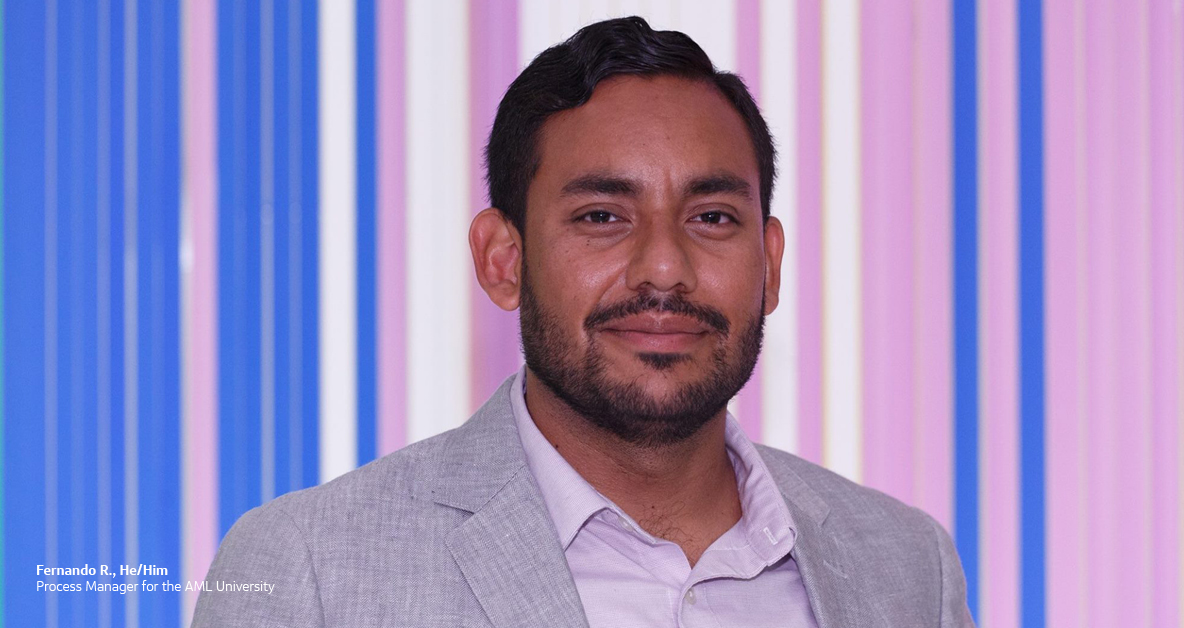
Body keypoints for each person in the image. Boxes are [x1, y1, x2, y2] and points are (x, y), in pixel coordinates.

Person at [193, 16, 974, 628]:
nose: (664, 267)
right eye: (602, 215)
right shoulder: (311, 569)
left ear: (770, 263)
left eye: (711, 216)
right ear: (503, 259)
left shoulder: (907, 566)